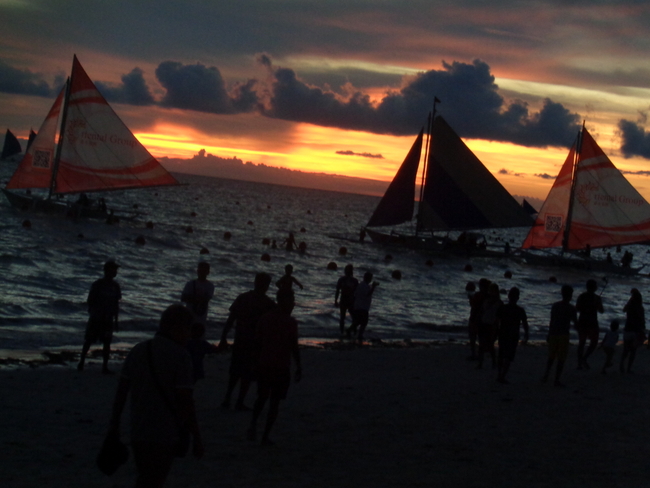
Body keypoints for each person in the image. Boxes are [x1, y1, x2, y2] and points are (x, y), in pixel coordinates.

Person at [107, 304, 203, 488]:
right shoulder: (181, 356)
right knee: (156, 480)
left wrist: (114, 424)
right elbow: (185, 401)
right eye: (188, 329)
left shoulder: (138, 350)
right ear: (177, 328)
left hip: (139, 428)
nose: (189, 335)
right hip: (165, 431)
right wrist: (197, 437)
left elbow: (121, 392)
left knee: (144, 477)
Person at [247, 292, 302, 446]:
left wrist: (298, 365)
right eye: (290, 301)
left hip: (276, 365)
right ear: (281, 302)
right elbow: (258, 344)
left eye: (292, 302)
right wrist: (298, 366)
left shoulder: (273, 319)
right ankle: (259, 430)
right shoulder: (277, 320)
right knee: (269, 400)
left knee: (269, 400)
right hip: (271, 365)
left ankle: (260, 430)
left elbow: (293, 346)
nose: (292, 305)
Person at [219, 273, 276, 410]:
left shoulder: (246, 298)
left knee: (239, 372)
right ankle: (235, 400)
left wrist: (224, 336)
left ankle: (230, 399)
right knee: (244, 373)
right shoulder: (265, 303)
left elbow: (231, 318)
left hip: (247, 341)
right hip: (250, 342)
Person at [78, 259, 122, 374]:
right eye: (114, 269)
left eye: (116, 270)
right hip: (97, 317)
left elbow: (116, 304)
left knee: (107, 342)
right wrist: (93, 313)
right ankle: (81, 362)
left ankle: (104, 366)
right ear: (107, 270)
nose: (115, 272)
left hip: (108, 318)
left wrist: (116, 321)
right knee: (89, 340)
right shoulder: (98, 284)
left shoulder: (115, 286)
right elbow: (90, 300)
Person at [543, 285, 578, 387]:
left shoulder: (555, 306)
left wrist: (549, 334)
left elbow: (551, 321)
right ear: (570, 295)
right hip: (563, 335)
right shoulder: (571, 309)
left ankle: (546, 375)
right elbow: (575, 323)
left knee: (551, 357)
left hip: (553, 333)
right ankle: (556, 379)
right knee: (561, 359)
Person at [495, 287, 529, 384]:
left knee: (501, 355)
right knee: (508, 357)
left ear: (508, 296)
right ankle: (502, 376)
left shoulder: (503, 308)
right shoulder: (520, 310)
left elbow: (496, 322)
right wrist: (526, 334)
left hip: (503, 333)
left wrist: (496, 331)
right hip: (513, 335)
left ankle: (499, 375)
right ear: (518, 298)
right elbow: (525, 324)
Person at [575, 279, 604, 370]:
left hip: (586, 322)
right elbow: (601, 311)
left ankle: (582, 360)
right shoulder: (586, 297)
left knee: (587, 343)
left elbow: (601, 310)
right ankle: (582, 361)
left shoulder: (584, 296)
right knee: (587, 343)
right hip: (589, 322)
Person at [477, 283, 502, 369]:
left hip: (493, 325)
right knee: (481, 344)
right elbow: (481, 312)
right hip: (484, 323)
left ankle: (494, 362)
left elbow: (500, 316)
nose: (491, 292)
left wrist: (498, 326)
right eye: (490, 290)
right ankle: (480, 363)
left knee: (490, 345)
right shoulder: (486, 300)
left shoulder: (499, 303)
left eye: (493, 290)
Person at [348, 271, 379, 343]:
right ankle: (359, 335)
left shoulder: (363, 285)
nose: (371, 279)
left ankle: (350, 331)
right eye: (370, 278)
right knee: (364, 322)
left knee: (358, 322)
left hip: (360, 306)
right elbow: (368, 294)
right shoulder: (364, 286)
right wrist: (373, 287)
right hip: (362, 307)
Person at [620, 288, 645, 373]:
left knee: (625, 350)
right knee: (633, 351)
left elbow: (624, 310)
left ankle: (621, 365)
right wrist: (643, 330)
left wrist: (630, 301)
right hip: (635, 331)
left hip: (627, 329)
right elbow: (642, 320)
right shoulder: (640, 308)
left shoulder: (629, 306)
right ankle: (628, 368)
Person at [468, 278, 490, 361]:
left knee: (473, 337)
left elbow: (473, 304)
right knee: (481, 339)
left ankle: (474, 354)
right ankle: (480, 355)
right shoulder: (489, 297)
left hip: (475, 318)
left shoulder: (478, 295)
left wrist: (470, 298)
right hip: (484, 320)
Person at [334, 264, 358, 336]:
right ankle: (342, 332)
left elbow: (357, 292)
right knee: (343, 317)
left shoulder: (354, 280)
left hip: (351, 300)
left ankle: (353, 332)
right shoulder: (342, 279)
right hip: (344, 300)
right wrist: (335, 300)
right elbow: (338, 290)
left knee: (354, 318)